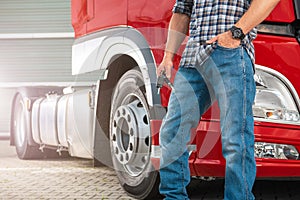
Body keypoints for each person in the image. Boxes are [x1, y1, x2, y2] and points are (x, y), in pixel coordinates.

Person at [156, 0, 280, 199]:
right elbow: (182, 11)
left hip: (230, 54)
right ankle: (173, 196)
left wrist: (235, 34)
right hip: (193, 58)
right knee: (172, 131)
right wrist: (168, 57)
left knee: (235, 138)